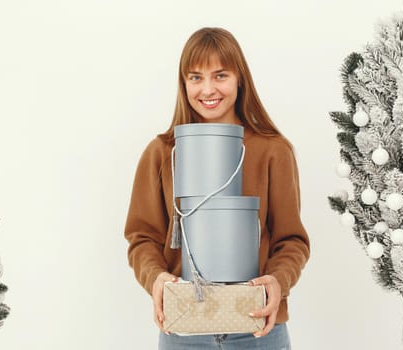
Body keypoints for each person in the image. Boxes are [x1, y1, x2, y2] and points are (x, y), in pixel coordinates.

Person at [124, 27, 310, 349]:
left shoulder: (273, 150)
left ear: (240, 78)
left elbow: (291, 239)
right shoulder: (161, 152)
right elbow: (142, 237)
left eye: (220, 75)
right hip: (183, 329)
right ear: (183, 84)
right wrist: (156, 278)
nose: (207, 89)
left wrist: (279, 282)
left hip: (258, 327)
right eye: (195, 77)